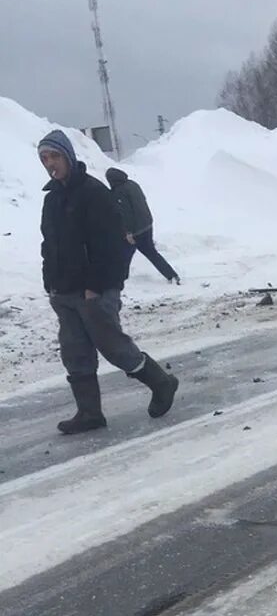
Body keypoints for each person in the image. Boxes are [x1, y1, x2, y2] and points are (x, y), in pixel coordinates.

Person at [38, 130, 179, 434]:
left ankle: (162, 383)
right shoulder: (52, 200)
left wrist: (96, 286)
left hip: (95, 289)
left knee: (114, 346)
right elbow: (49, 244)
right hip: (64, 291)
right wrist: (50, 281)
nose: (50, 163)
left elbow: (111, 244)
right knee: (74, 352)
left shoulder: (93, 193)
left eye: (54, 156)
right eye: (44, 158)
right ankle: (89, 413)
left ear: (68, 157)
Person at [105, 167, 180, 284]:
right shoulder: (132, 184)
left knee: (125, 254)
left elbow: (126, 213)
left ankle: (121, 278)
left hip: (136, 230)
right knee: (149, 253)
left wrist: (128, 232)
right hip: (147, 225)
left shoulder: (119, 191)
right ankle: (171, 275)